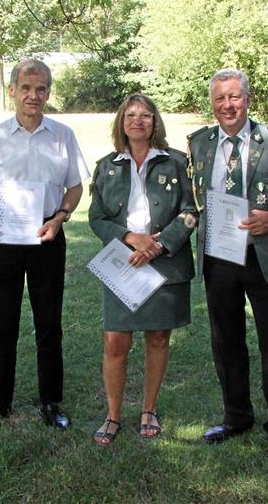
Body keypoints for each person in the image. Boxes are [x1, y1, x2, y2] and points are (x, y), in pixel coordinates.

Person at [186, 68, 268, 463]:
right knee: (226, 342)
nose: (228, 105)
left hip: (263, 255)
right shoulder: (199, 143)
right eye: (220, 98)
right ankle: (236, 416)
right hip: (219, 256)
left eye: (235, 97)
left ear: (247, 99)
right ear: (212, 102)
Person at [0, 58, 89, 430]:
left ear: (48, 93)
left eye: (40, 89)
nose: (33, 96)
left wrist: (61, 217)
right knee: (3, 326)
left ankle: (51, 402)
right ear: (12, 91)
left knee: (49, 325)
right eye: (26, 88)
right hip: (4, 237)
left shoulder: (63, 135)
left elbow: (75, 186)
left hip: (48, 235)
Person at [88, 93, 197, 445]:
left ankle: (149, 408)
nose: (138, 121)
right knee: (115, 341)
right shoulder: (106, 166)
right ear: (121, 121)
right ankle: (114, 414)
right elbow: (97, 217)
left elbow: (192, 210)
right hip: (124, 261)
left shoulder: (178, 162)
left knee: (158, 337)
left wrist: (160, 244)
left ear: (155, 121)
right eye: (131, 115)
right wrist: (130, 237)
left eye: (146, 115)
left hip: (165, 261)